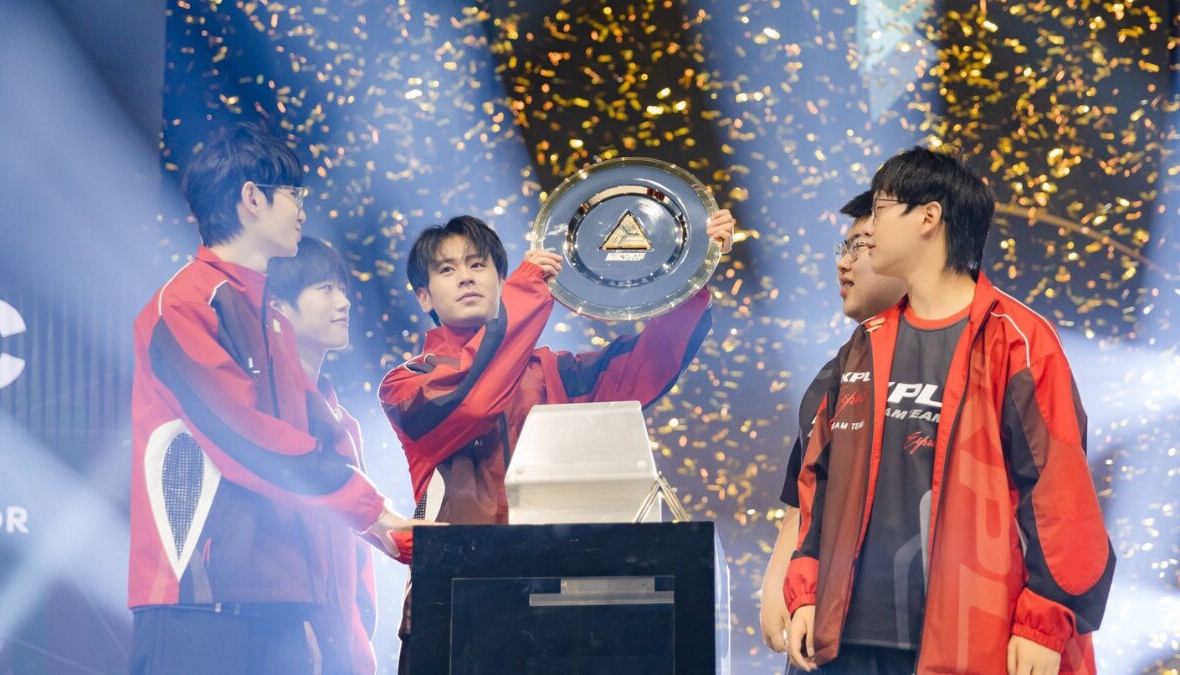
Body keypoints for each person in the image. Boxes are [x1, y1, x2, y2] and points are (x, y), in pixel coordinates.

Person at [784, 147, 1115, 674]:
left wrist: (1042, 623)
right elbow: (818, 482)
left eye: (883, 207)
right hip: (846, 640)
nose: (869, 228)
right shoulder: (862, 345)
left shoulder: (1018, 341)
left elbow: (1060, 492)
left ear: (928, 218)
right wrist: (804, 589)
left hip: (971, 639)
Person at [379, 210, 735, 669]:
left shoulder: (553, 372)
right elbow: (472, 399)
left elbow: (645, 365)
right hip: (453, 600)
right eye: (447, 269)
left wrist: (692, 272)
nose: (465, 277)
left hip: (550, 603)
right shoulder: (407, 384)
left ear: (500, 280)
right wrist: (528, 293)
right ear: (424, 295)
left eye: (477, 264)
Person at [129, 123, 415, 675]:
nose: (303, 211)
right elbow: (251, 441)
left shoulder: (274, 325)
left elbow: (320, 449)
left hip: (282, 611)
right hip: (200, 606)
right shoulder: (186, 304)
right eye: (295, 196)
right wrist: (381, 518)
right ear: (252, 199)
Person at [758, 190, 907, 655]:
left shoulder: (944, 363)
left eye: (863, 245)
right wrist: (776, 584)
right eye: (843, 248)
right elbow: (802, 498)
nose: (845, 264)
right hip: (819, 615)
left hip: (897, 623)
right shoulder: (833, 374)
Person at [267, 238, 391, 674]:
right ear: (278, 306)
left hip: (340, 643)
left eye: (342, 289)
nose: (343, 303)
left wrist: (356, 640)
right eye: (324, 289)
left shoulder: (341, 419)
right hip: (288, 639)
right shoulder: (266, 411)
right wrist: (296, 623)